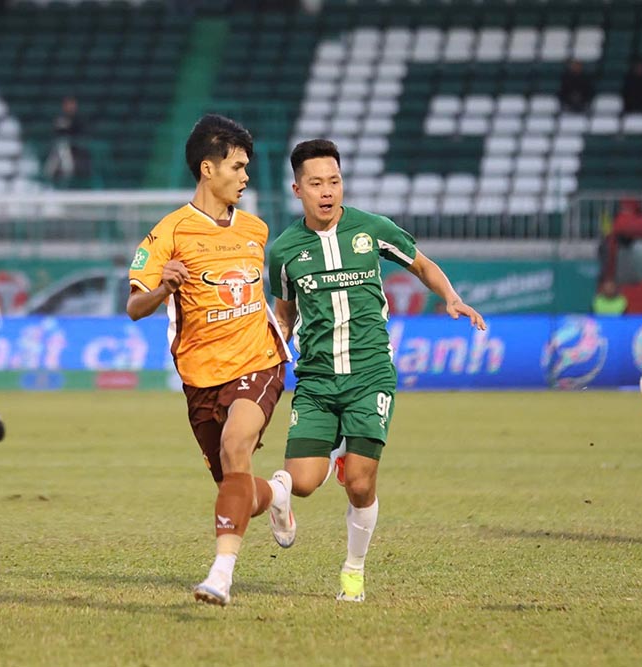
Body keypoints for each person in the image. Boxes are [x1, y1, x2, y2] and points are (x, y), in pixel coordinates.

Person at [268, 139, 485, 602]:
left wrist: (450, 296)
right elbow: (284, 311)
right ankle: (283, 495)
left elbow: (421, 264)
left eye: (334, 181)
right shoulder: (284, 249)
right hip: (317, 380)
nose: (327, 191)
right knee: (302, 483)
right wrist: (276, 344)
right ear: (297, 189)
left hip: (370, 376)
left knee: (362, 484)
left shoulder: (371, 228)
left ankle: (353, 569)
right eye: (316, 183)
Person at [126, 114, 294, 606]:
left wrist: (283, 325)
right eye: (238, 167)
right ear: (208, 168)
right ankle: (277, 495)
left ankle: (221, 574)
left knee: (236, 445)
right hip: (200, 378)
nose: (245, 177)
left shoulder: (257, 230)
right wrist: (163, 287)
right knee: (237, 487)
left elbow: (273, 294)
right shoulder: (169, 233)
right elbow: (134, 307)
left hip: (258, 361)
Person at [43, 96, 85, 185]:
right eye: (68, 104)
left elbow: (79, 133)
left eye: (72, 104)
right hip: (59, 149)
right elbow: (56, 131)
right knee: (61, 148)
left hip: (76, 150)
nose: (70, 106)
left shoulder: (79, 119)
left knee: (62, 149)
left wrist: (67, 126)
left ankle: (65, 176)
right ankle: (51, 179)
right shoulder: (60, 117)